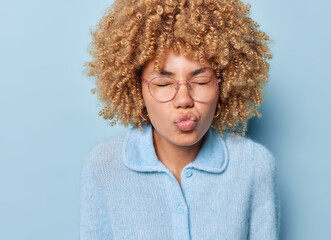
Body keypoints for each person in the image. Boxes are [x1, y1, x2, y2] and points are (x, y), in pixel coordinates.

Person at [80, 0, 280, 239]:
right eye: (163, 84)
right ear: (136, 90)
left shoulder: (255, 166)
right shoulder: (104, 165)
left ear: (223, 86)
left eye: (201, 82)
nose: (184, 100)